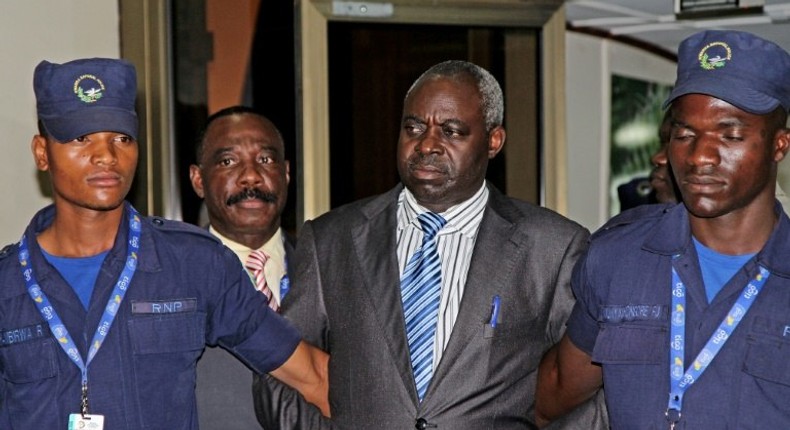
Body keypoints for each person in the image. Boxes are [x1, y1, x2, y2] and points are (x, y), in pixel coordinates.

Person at [255, 60, 608, 429]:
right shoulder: (332, 239)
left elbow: (591, 384)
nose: (427, 145)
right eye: (413, 127)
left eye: (452, 131)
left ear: (493, 141)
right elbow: (276, 365)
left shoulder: (551, 247)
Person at [0, 57, 328, 429]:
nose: (106, 156)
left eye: (122, 138)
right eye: (81, 138)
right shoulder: (8, 283)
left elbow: (312, 375)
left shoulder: (193, 264)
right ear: (42, 153)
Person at [536, 30, 790, 429]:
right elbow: (551, 396)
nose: (700, 156)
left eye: (731, 135)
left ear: (780, 145)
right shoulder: (618, 257)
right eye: (684, 134)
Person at [189, 106, 293, 429]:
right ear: (198, 180)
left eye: (265, 160)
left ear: (286, 173)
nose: (251, 176)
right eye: (228, 161)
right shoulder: (173, 279)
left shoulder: (332, 269)